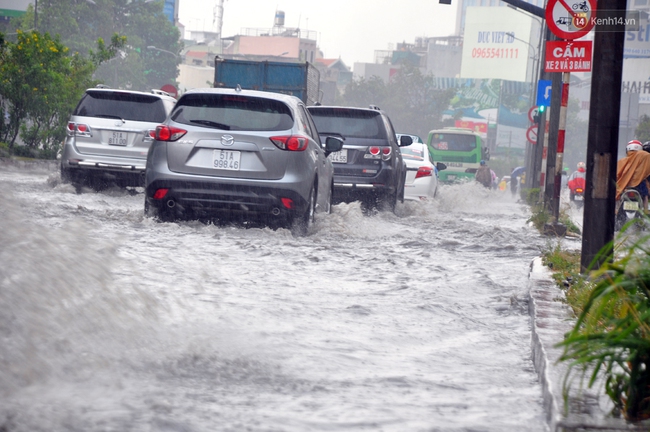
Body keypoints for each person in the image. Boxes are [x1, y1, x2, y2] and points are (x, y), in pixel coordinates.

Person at [616, 140, 650, 211]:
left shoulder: (622, 161)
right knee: (645, 195)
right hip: (639, 185)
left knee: (617, 196)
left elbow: (617, 174)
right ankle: (646, 212)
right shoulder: (645, 158)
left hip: (624, 186)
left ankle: (616, 210)